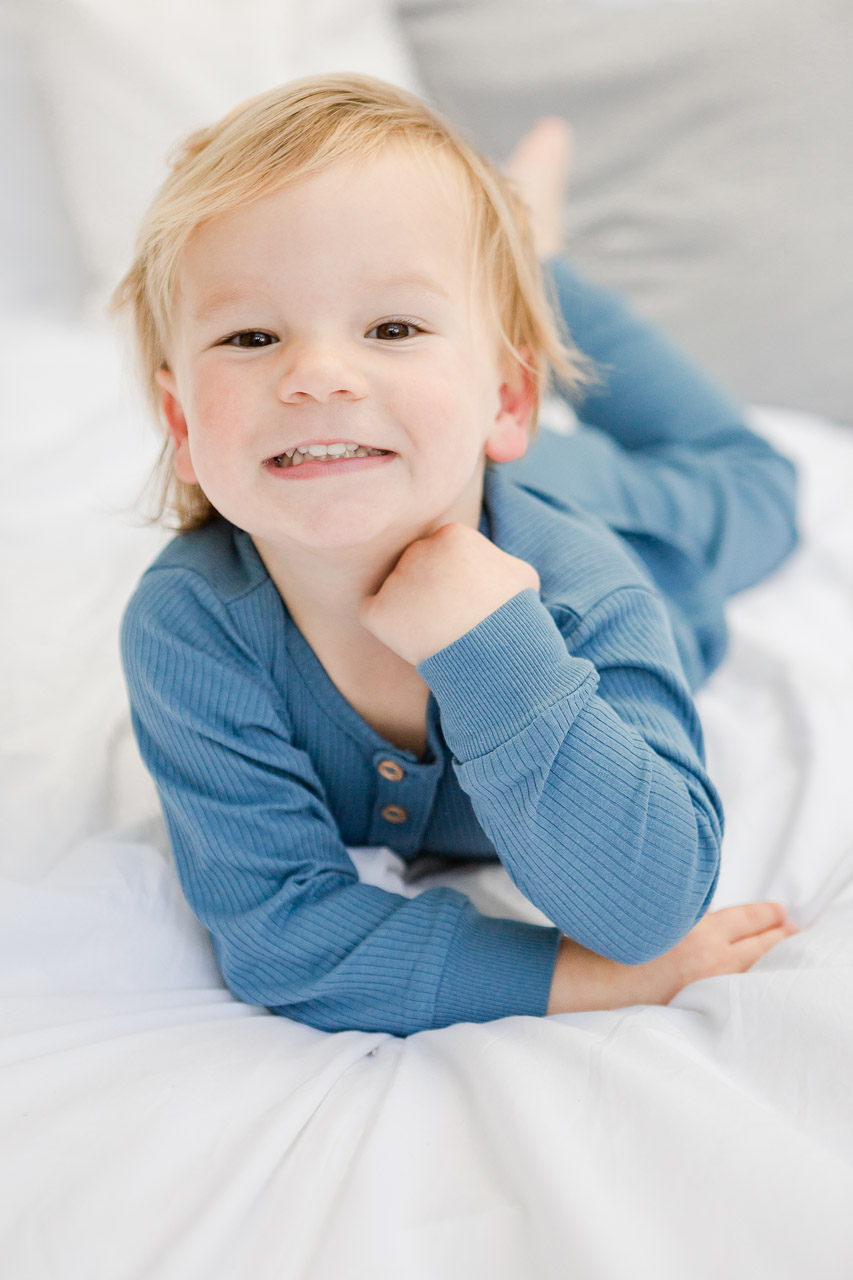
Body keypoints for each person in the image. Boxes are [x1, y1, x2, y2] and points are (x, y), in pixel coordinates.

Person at [115, 74, 800, 1037]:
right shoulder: (191, 628)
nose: (315, 374)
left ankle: (533, 257)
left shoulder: (589, 590)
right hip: (433, 448)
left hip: (612, 506)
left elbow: (645, 909)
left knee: (762, 485)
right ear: (182, 424)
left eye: (392, 327)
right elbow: (282, 937)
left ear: (507, 402)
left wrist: (492, 647)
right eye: (251, 334)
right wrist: (574, 980)